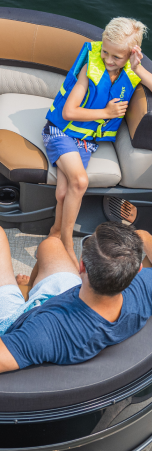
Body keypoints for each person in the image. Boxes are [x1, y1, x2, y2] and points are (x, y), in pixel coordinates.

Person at [0, 208, 152, 377]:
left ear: (82, 267)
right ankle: (30, 290)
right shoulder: (143, 286)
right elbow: (144, 236)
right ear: (137, 268)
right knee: (51, 245)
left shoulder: (48, 331)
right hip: (77, 298)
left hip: (18, 322)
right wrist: (136, 242)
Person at [43, 17, 152, 267]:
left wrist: (140, 69)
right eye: (105, 52)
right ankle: (68, 245)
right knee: (80, 181)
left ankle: (55, 232)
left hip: (86, 141)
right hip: (60, 132)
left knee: (63, 192)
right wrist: (107, 113)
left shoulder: (132, 70)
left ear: (132, 54)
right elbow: (69, 112)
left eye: (117, 56)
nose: (109, 60)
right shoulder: (89, 67)